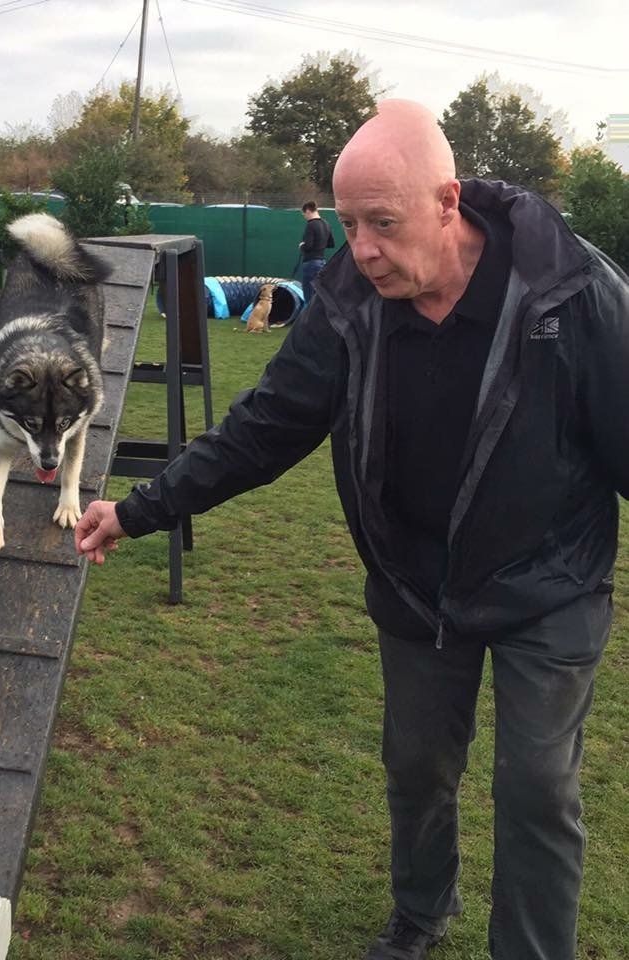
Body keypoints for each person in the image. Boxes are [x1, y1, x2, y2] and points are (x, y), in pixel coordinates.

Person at [75, 99, 629, 960]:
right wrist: (139, 509)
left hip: (549, 581)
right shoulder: (345, 301)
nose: (362, 249)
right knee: (416, 767)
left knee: (538, 786)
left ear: (447, 204)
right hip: (415, 583)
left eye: (383, 224)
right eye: (348, 224)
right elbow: (264, 427)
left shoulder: (571, 291)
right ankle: (420, 914)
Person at [298, 199, 334, 303]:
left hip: (310, 263)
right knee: (319, 293)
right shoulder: (326, 224)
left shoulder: (311, 225)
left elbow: (308, 246)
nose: (304, 217)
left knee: (309, 294)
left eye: (304, 214)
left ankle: (309, 313)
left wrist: (302, 246)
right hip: (322, 262)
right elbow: (331, 244)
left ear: (308, 211)